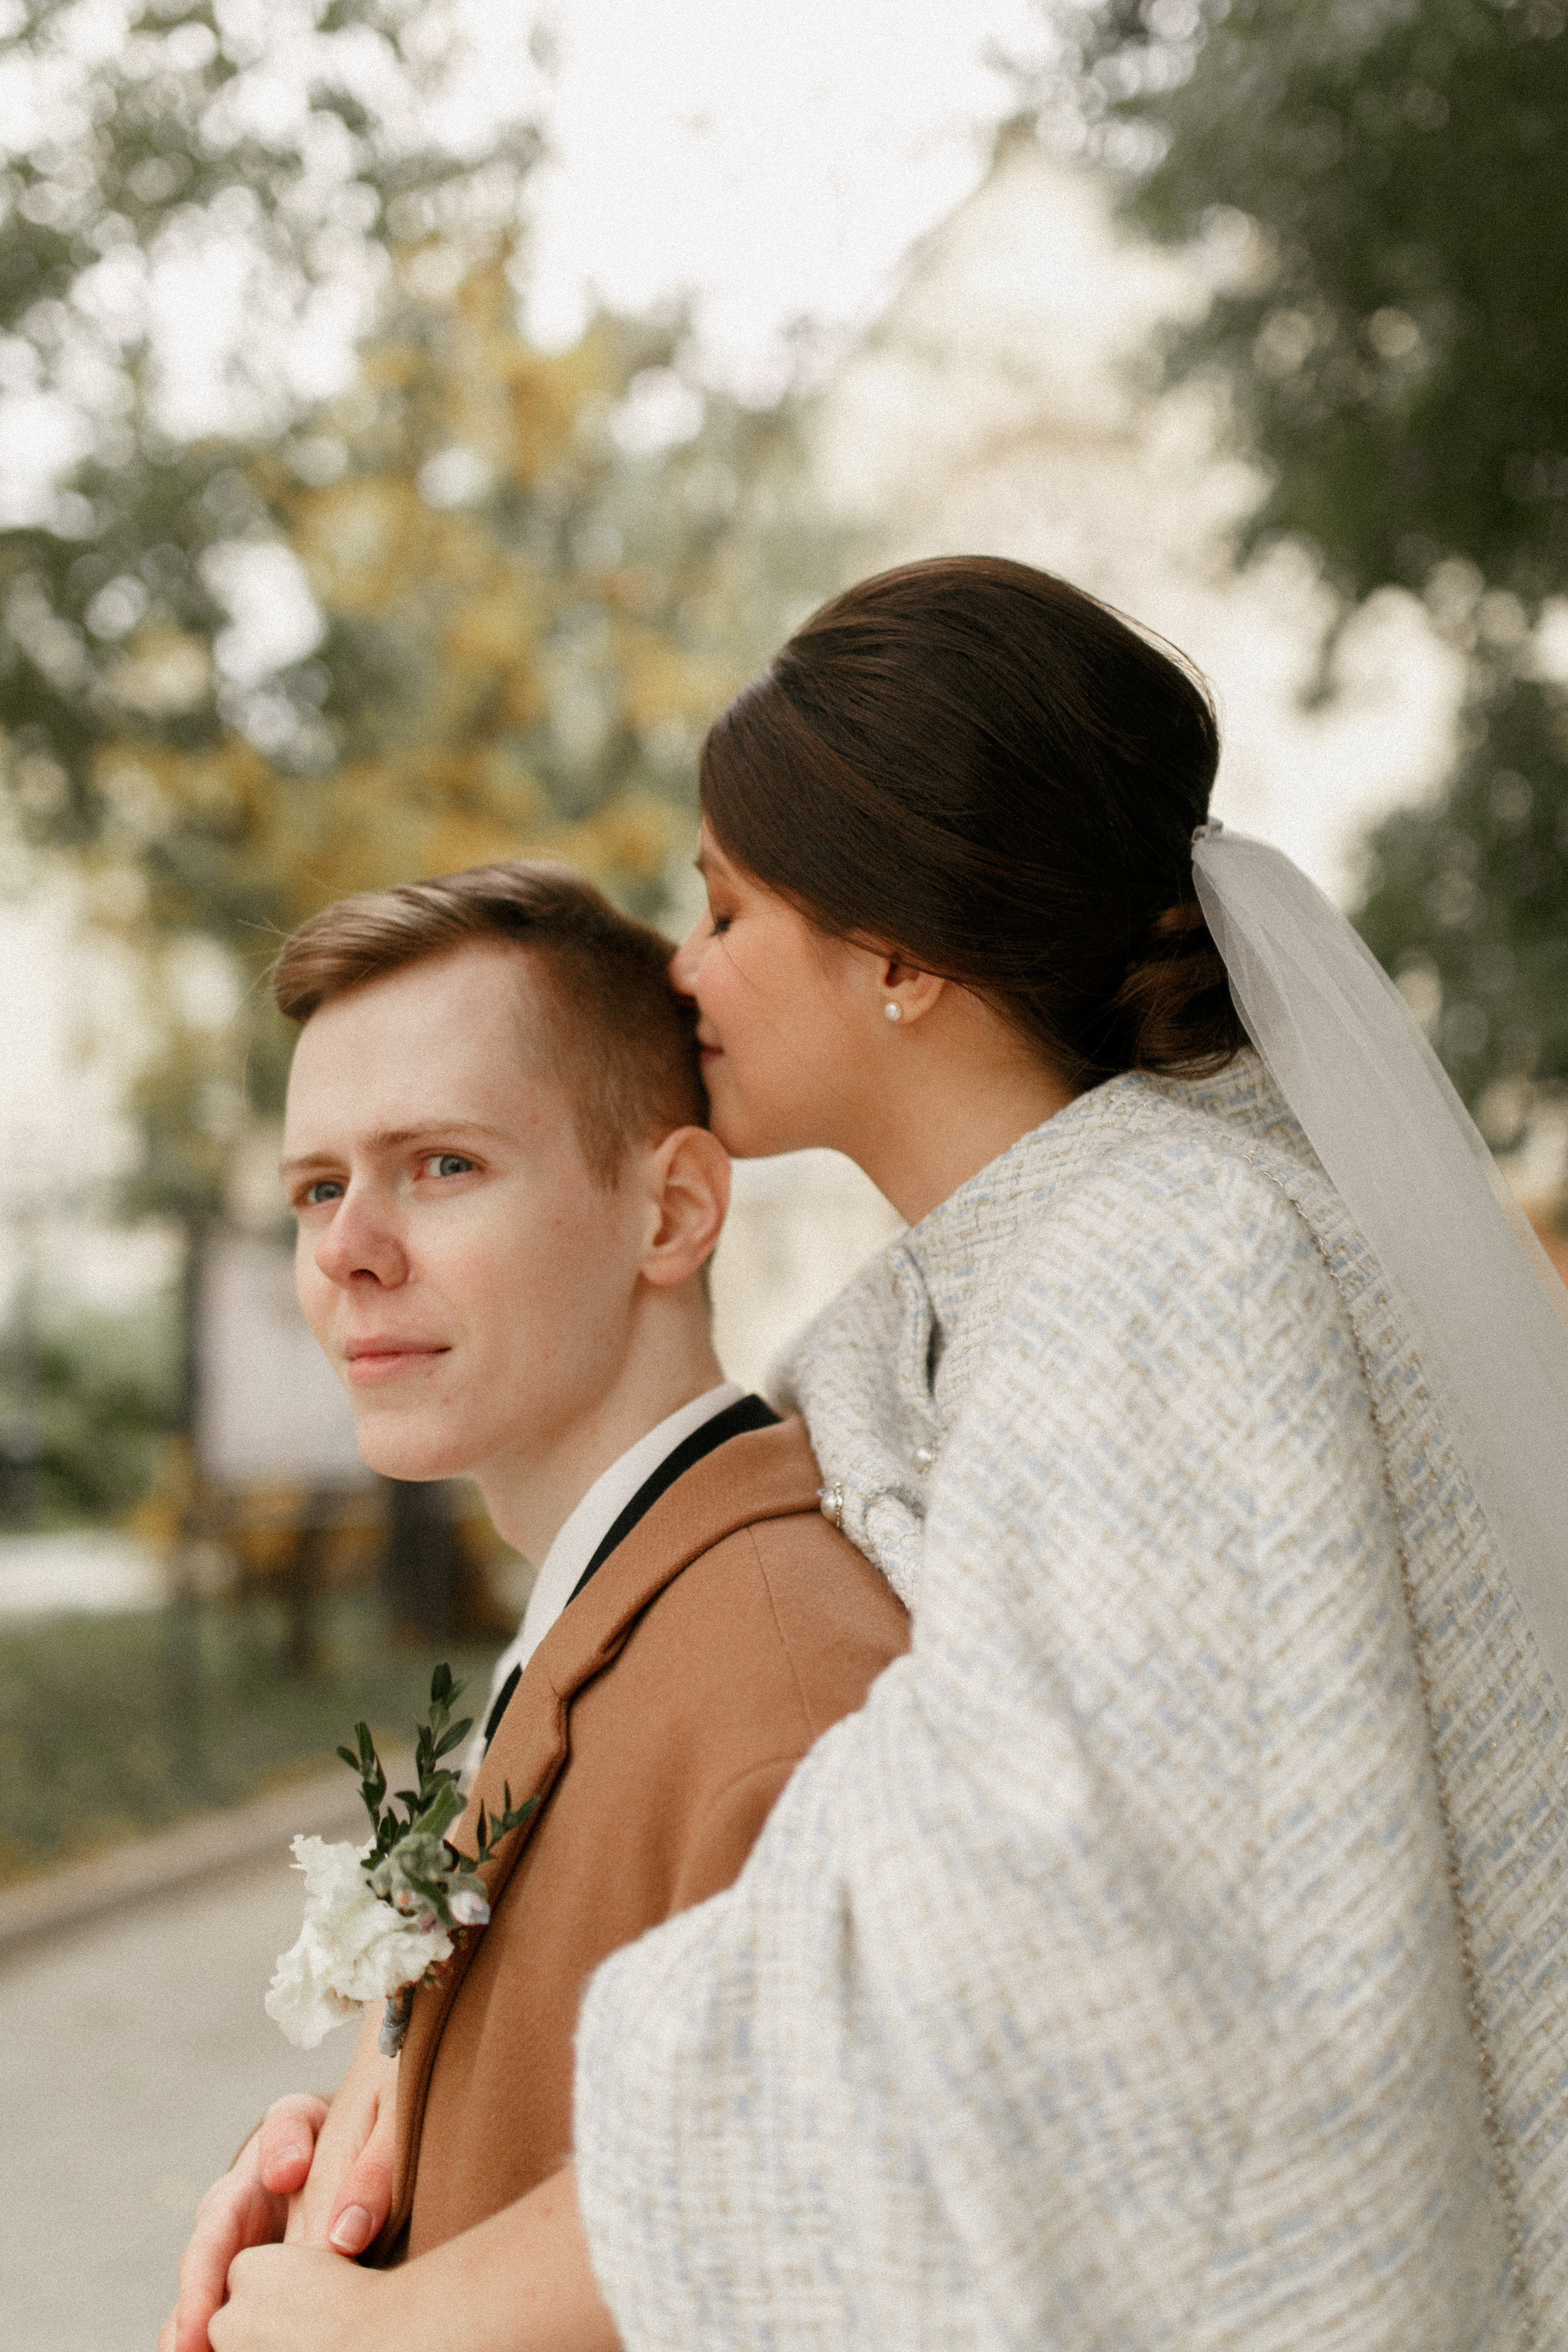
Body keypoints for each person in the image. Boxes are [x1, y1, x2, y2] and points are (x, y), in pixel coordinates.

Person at [186, 556, 1568, 2352]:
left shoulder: (1173, 1261)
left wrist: (407, 2321)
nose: (685, 978)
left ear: (905, 955)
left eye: (730, 912)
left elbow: (989, 1984)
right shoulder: (916, 1322)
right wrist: (400, 2086)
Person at [161, 860, 908, 2352]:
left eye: (439, 1164)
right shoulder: (629, 1598)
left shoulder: (789, 1696)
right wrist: (356, 2181)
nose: (346, 1250)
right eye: (320, 1186)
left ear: (671, 1210)